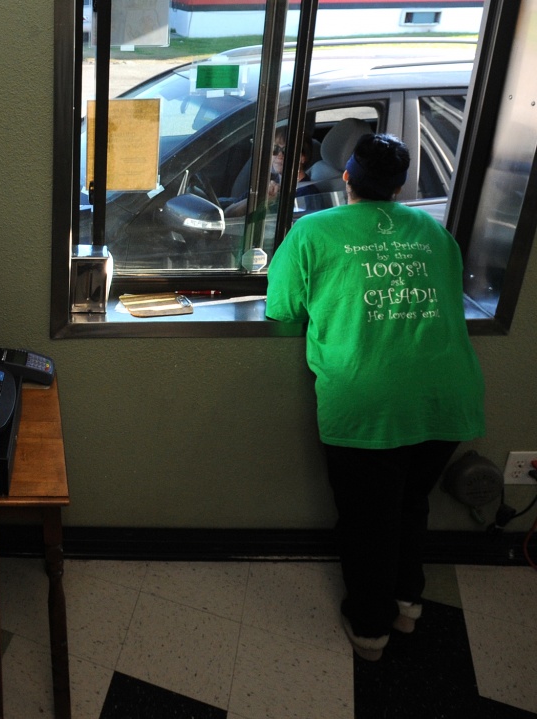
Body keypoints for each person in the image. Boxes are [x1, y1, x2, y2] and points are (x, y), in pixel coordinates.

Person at [265, 133, 485, 661]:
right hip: (446, 396)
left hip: (368, 402)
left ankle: (370, 629)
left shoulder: (311, 231)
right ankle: (409, 601)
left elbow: (282, 310)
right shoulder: (434, 232)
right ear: (401, 186)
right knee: (411, 502)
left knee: (367, 520)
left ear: (345, 178)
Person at [224, 131, 315, 218]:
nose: (279, 155)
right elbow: (228, 213)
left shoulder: (307, 195)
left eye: (287, 150)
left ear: (303, 157)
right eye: (275, 149)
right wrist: (260, 199)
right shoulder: (267, 186)